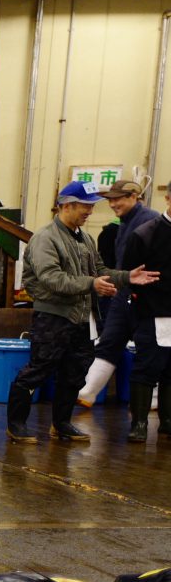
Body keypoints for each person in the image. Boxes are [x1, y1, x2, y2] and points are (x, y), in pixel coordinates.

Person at [9, 181, 158, 443]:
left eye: (91, 206)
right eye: (85, 206)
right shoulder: (45, 238)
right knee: (39, 369)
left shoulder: (85, 238)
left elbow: (100, 271)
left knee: (75, 371)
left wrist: (126, 277)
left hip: (81, 317)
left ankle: (62, 423)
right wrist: (92, 284)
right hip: (53, 316)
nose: (90, 211)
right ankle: (17, 424)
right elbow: (51, 278)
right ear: (66, 205)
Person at [77, 180, 155, 407]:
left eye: (117, 198)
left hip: (147, 296)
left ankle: (153, 400)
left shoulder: (149, 220)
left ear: (134, 196)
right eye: (110, 199)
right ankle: (88, 392)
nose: (112, 204)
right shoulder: (125, 222)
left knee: (149, 348)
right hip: (124, 292)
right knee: (109, 340)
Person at [120, 184, 171, 441]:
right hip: (153, 314)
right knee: (147, 367)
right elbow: (129, 276)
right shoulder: (145, 234)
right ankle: (139, 423)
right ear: (168, 198)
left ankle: (168, 421)